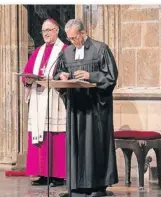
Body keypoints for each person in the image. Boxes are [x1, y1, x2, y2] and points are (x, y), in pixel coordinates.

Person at [54, 19, 119, 197]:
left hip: (95, 109)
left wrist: (91, 75)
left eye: (74, 38)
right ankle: (76, 185)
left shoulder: (100, 49)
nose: (72, 42)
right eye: (69, 39)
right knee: (76, 144)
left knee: (94, 145)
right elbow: (58, 72)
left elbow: (111, 77)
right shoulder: (67, 53)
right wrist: (62, 75)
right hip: (76, 109)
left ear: (83, 33)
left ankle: (97, 186)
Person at [22, 18, 67, 187]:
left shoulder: (64, 50)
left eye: (49, 30)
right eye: (43, 31)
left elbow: (66, 73)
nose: (46, 33)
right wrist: (27, 79)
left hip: (54, 98)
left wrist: (54, 78)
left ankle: (57, 175)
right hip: (38, 97)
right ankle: (41, 173)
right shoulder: (38, 51)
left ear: (57, 31)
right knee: (38, 136)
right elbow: (28, 72)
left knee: (55, 135)